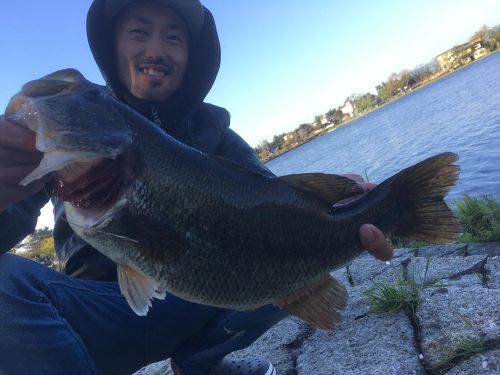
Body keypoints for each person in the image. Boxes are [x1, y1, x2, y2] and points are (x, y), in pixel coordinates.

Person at [0, 1, 393, 374]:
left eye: (173, 38)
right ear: (112, 46)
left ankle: (198, 365)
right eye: (139, 32)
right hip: (98, 318)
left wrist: (345, 214)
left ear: (192, 55)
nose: (155, 49)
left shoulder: (217, 133)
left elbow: (276, 206)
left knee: (283, 266)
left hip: (192, 295)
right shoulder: (74, 138)